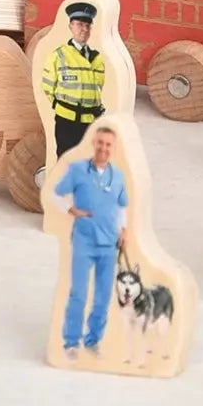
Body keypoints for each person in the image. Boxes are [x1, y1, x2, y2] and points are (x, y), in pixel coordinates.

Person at [53, 121, 128, 359]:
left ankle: (93, 339)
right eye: (100, 143)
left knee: (103, 296)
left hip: (109, 243)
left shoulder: (117, 176)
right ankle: (71, 342)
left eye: (108, 145)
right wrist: (70, 209)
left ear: (113, 148)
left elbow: (122, 205)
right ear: (93, 143)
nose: (103, 148)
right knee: (79, 293)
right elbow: (56, 193)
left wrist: (123, 230)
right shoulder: (77, 170)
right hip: (85, 241)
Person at [40, 0, 107, 157]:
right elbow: (48, 87)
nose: (83, 29)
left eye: (87, 25)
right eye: (79, 24)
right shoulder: (59, 55)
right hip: (67, 122)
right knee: (66, 161)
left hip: (91, 121)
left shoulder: (96, 58)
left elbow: (98, 88)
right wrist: (62, 107)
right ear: (71, 26)